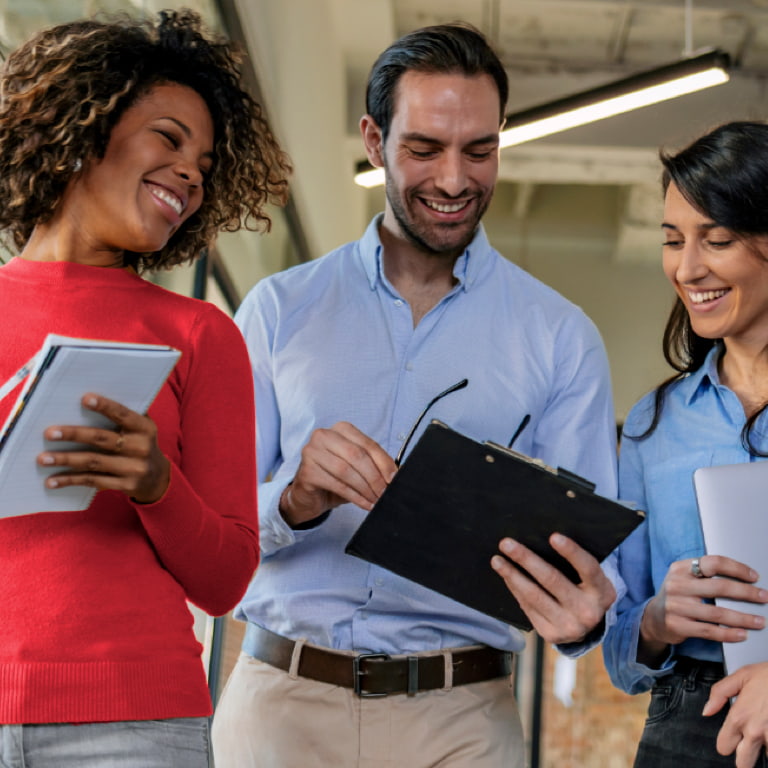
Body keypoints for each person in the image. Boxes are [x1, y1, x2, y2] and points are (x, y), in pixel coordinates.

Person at [213, 22, 618, 768]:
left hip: (463, 719)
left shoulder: (561, 338)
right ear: (374, 140)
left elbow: (589, 565)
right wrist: (296, 497)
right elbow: (217, 533)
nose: (456, 180)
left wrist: (583, 617)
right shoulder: (278, 309)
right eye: (425, 149)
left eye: (480, 150)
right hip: (281, 706)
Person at [0, 10, 290, 767]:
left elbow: (226, 580)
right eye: (169, 138)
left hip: (133, 727)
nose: (192, 171)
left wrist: (157, 482)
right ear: (81, 124)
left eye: (205, 160)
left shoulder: (199, 335)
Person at [603, 121, 768, 768]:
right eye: (673, 240)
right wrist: (655, 621)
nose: (687, 267)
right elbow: (620, 651)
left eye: (717, 239)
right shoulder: (654, 423)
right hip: (687, 728)